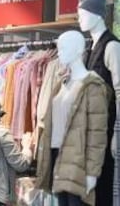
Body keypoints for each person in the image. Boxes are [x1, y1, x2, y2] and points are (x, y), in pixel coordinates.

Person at [36, 30, 109, 206]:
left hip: (77, 163)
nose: (59, 52)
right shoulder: (61, 84)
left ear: (78, 50)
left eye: (63, 48)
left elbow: (97, 135)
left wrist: (92, 173)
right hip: (56, 158)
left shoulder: (93, 85)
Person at [77, 0, 120, 206]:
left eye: (83, 13)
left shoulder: (112, 47)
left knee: (103, 189)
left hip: (107, 131)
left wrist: (117, 133)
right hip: (90, 135)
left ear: (97, 15)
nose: (79, 18)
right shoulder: (88, 50)